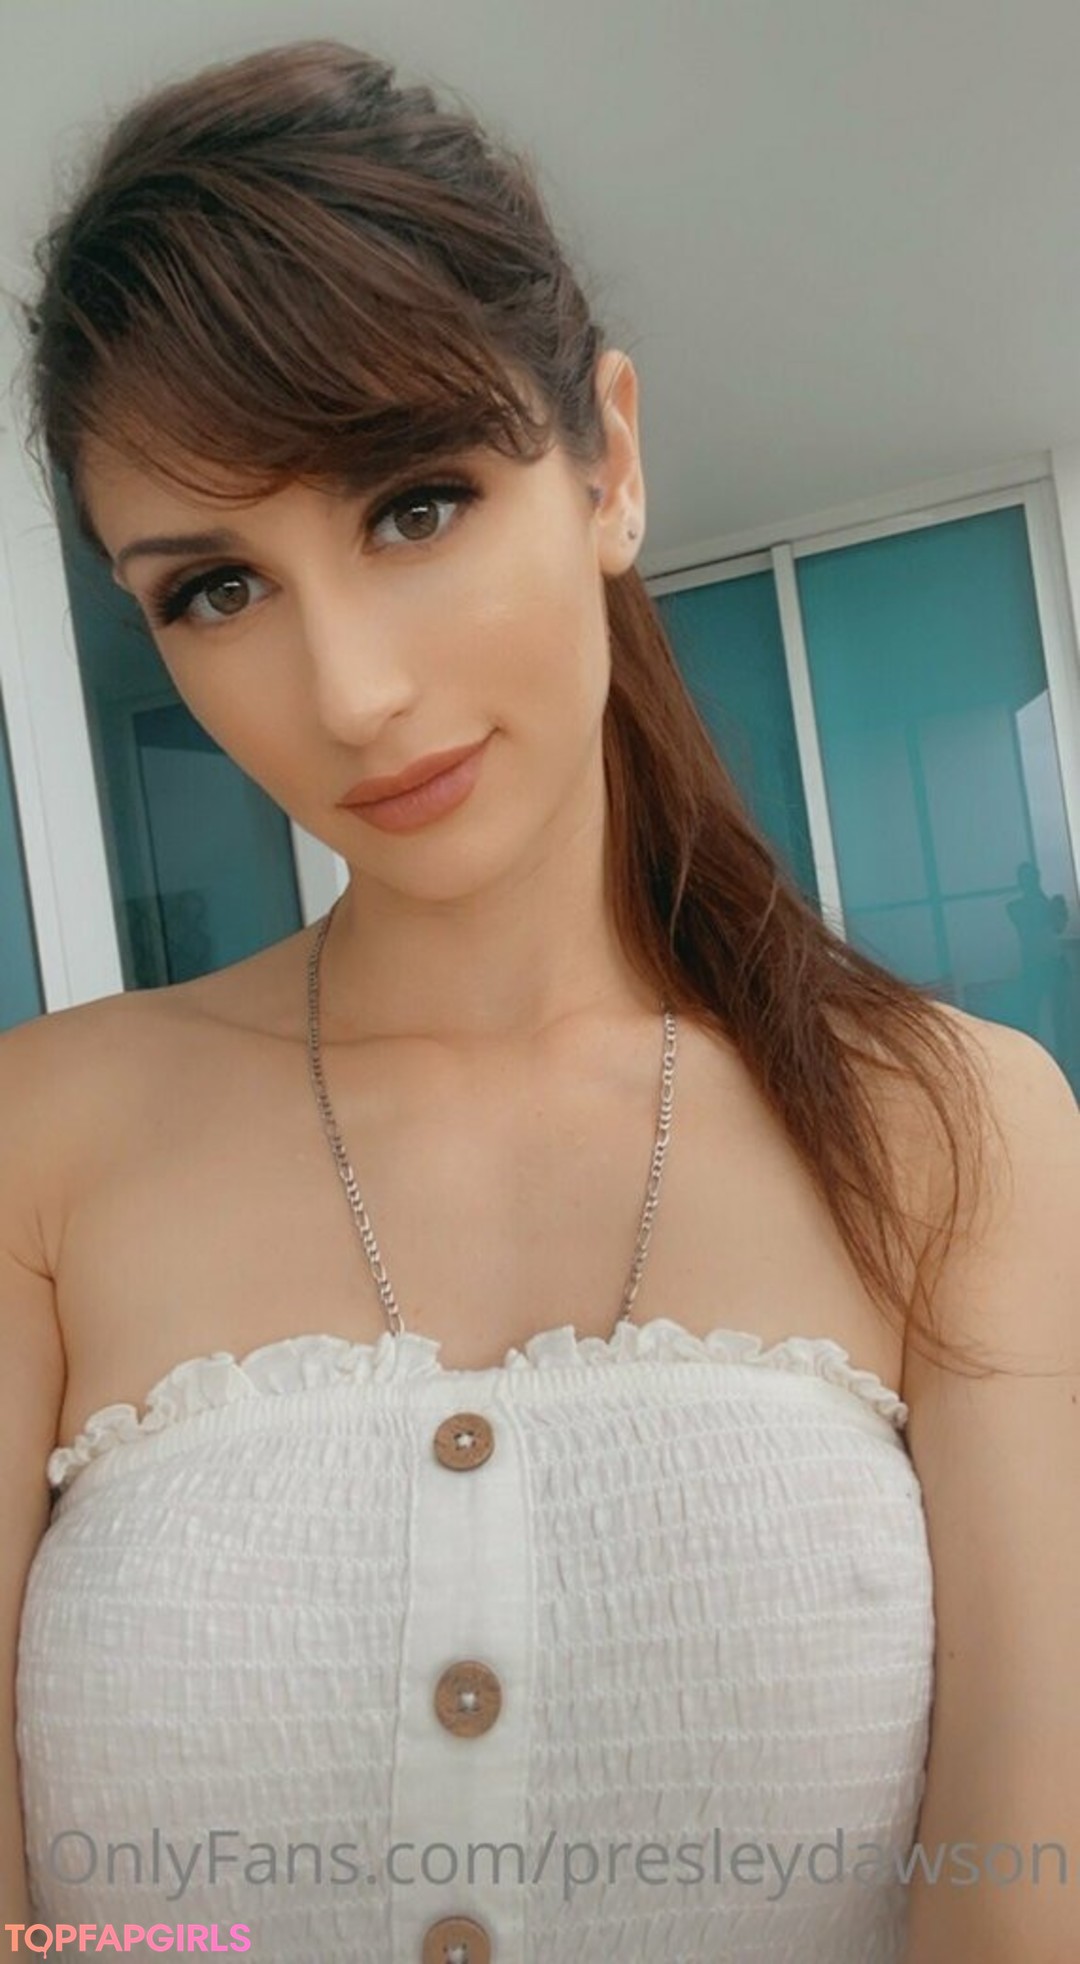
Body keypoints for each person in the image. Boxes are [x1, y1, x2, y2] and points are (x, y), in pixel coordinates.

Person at [2, 37, 1077, 1964]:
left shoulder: (953, 1125)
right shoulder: (43, 1148)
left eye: (415, 504)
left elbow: (1020, 1910)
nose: (350, 694)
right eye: (215, 590)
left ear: (611, 464)